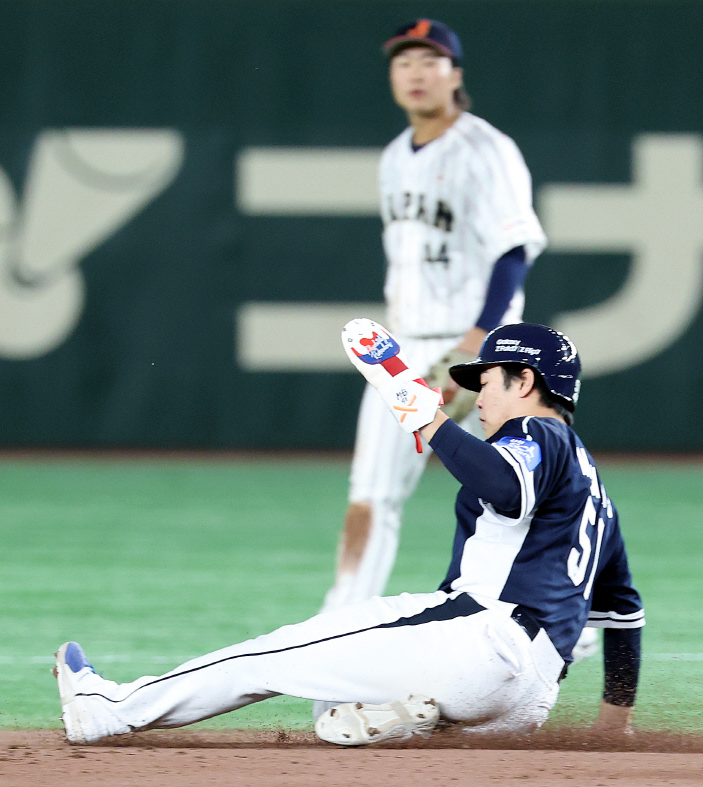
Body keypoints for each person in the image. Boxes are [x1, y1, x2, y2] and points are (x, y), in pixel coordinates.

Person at [52, 321, 642, 745]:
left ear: (525, 381)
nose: (477, 394)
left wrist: (417, 406)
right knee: (332, 702)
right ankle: (405, 717)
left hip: (482, 642)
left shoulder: (540, 436)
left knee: (272, 654)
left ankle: (109, 710)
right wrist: (615, 724)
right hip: (527, 701)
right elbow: (623, 613)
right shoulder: (599, 498)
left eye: (486, 380)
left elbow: (503, 484)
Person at [322, 19, 582, 647]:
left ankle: (573, 616)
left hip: (475, 350)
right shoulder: (393, 157)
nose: (415, 72)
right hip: (405, 346)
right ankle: (340, 619)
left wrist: (481, 343)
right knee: (372, 493)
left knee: (523, 491)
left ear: (455, 74)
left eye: (430, 60)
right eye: (404, 61)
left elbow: (513, 248)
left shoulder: (484, 149)